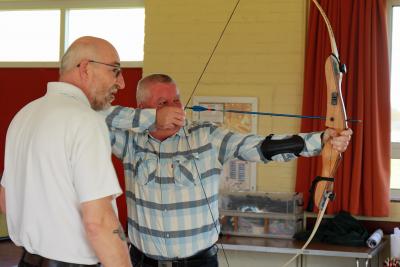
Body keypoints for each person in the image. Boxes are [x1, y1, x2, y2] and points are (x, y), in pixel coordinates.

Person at [104, 73, 353, 267]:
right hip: (141, 261)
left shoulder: (207, 137)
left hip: (198, 263)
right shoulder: (129, 142)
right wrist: (151, 120)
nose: (175, 108)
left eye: (177, 100)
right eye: (163, 103)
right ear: (141, 108)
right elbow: (92, 114)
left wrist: (321, 141)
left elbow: (258, 146)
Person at [0, 38, 184, 267]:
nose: (122, 83)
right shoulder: (85, 121)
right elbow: (100, 222)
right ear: (86, 68)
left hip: (28, 260)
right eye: (115, 71)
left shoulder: (25, 115)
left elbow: (7, 199)